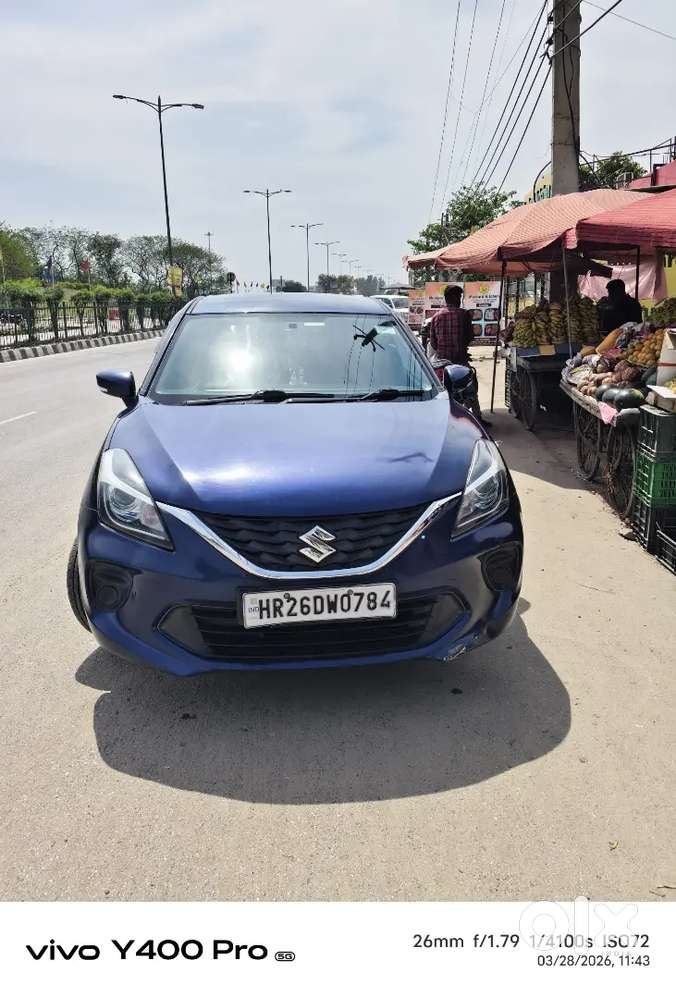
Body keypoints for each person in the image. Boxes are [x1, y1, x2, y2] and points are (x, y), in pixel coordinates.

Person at [426, 284, 491, 426]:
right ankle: (477, 418)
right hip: (460, 361)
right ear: (455, 298)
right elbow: (469, 337)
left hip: (442, 363)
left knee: (439, 390)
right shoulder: (464, 314)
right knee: (471, 388)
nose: (460, 299)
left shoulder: (436, 317)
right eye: (459, 296)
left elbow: (433, 342)